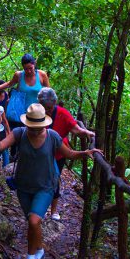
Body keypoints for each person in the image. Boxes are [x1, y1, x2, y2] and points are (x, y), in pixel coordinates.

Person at [0, 103, 103, 259]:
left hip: (45, 187)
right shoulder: (19, 133)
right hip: (23, 187)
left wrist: (85, 153)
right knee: (32, 222)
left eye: (38, 126)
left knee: (34, 221)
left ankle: (30, 256)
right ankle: (40, 247)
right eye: (32, 126)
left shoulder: (52, 137)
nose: (35, 130)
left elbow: (68, 153)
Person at [38, 87, 95, 221]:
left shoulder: (63, 113)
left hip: (58, 152)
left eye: (50, 107)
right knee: (40, 179)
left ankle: (53, 211)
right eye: (45, 107)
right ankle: (39, 208)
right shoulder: (36, 111)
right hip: (40, 152)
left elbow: (75, 129)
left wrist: (86, 133)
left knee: (55, 179)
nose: (47, 111)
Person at [0, 54, 50, 129]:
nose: (29, 71)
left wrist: (49, 109)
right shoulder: (19, 75)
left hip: (37, 113)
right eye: (26, 69)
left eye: (31, 68)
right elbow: (9, 84)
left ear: (35, 64)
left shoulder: (42, 75)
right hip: (20, 114)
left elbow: (49, 93)